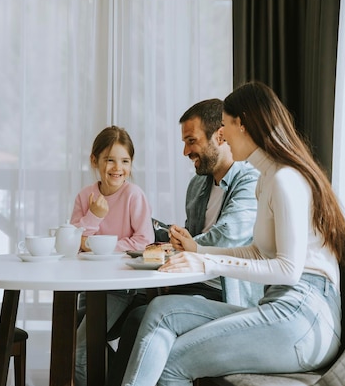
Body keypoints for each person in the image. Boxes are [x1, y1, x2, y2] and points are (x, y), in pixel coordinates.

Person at [120, 81, 345, 386]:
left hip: (305, 318)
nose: (223, 135)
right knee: (163, 310)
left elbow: (288, 269)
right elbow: (258, 252)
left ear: (241, 123)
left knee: (172, 363)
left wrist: (208, 264)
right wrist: (198, 252)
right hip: (280, 306)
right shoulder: (267, 178)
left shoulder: (286, 179)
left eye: (225, 125)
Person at [105, 99, 262, 386]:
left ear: (220, 135)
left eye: (191, 141)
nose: (185, 151)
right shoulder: (198, 184)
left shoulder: (250, 181)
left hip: (224, 291)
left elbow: (225, 237)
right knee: (107, 308)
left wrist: (178, 243)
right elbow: (189, 239)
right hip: (191, 282)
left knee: (139, 318)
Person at [70, 125, 154, 386]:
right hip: (87, 288)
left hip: (120, 289)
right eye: (110, 160)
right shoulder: (86, 196)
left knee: (79, 353)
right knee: (71, 344)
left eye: (125, 161)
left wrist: (96, 246)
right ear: (94, 160)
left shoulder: (133, 196)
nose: (118, 168)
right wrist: (94, 215)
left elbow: (144, 241)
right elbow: (73, 242)